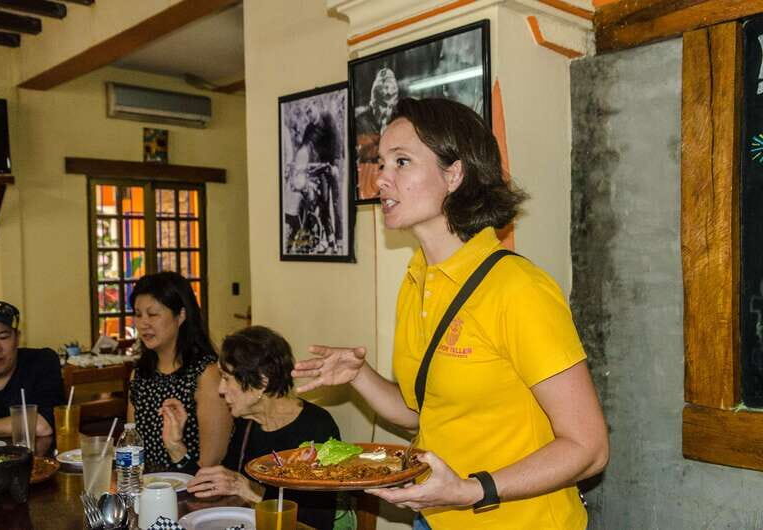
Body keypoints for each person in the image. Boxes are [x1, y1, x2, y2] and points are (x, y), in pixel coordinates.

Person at [294, 98, 609, 529]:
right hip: (437, 517)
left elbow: (588, 448)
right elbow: (420, 414)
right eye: (380, 163)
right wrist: (359, 375)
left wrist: (471, 489)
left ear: (455, 174)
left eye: (401, 162)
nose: (381, 178)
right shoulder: (417, 279)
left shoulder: (516, 288)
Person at [160, 326, 340, 530]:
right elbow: (219, 488)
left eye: (227, 378)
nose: (220, 390)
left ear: (262, 382)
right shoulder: (248, 422)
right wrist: (176, 447)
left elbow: (316, 522)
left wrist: (253, 491)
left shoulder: (316, 427)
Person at [127, 272, 231, 471]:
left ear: (181, 315)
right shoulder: (140, 374)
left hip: (193, 490)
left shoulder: (207, 374)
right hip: (147, 486)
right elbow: (132, 446)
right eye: (138, 314)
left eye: (153, 314)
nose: (143, 323)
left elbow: (210, 463)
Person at [0, 300, 64, 440]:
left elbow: (42, 426)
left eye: (3, 337)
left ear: (17, 338)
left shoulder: (41, 362)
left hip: (37, 460)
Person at [355, 67, 399, 200]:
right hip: (367, 185)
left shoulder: (396, 122)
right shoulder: (361, 123)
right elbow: (365, 155)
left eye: (391, 106)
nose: (387, 111)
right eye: (384, 105)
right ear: (374, 102)